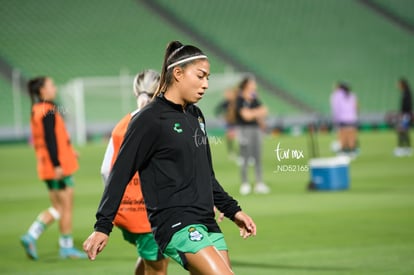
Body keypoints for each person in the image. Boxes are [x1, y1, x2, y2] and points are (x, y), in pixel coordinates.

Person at [83, 41, 256, 274]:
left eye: (208, 78)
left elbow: (206, 175)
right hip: (176, 223)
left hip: (206, 221)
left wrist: (233, 210)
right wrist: (103, 226)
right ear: (178, 73)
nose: (206, 85)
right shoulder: (149, 119)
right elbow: (119, 173)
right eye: (200, 76)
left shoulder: (196, 115)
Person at [100, 70, 169, 275]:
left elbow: (105, 170)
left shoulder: (122, 124)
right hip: (151, 215)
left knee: (148, 258)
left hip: (124, 213)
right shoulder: (161, 123)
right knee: (158, 269)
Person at [21, 76, 86, 260]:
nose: (54, 88)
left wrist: (69, 151)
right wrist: (58, 164)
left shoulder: (37, 109)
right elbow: (50, 139)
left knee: (57, 207)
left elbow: (48, 139)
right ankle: (66, 248)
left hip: (45, 166)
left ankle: (31, 235)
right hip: (57, 167)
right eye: (51, 85)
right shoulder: (48, 110)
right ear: (42, 91)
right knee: (65, 207)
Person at [235, 75, 269, 195]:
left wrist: (253, 113)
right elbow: (245, 116)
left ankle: (259, 183)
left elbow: (265, 110)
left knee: (258, 157)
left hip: (256, 130)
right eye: (252, 83)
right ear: (246, 84)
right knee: (245, 157)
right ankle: (245, 183)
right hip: (244, 130)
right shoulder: (240, 99)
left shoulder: (254, 98)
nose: (254, 85)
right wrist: (256, 113)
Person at [330, 82, 359, 158]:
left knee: (342, 136)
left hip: (342, 118)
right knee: (351, 135)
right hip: (352, 118)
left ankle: (343, 152)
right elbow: (356, 107)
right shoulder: (352, 95)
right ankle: (352, 152)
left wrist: (335, 119)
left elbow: (336, 108)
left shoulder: (336, 95)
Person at [215, 87, 238, 159]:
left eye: (229, 93)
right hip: (229, 123)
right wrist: (222, 117)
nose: (228, 95)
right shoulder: (225, 103)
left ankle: (238, 152)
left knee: (238, 138)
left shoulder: (236, 102)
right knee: (230, 137)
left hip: (238, 123)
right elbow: (217, 110)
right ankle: (231, 152)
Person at [394, 78, 413, 157]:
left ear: (402, 84)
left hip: (405, 115)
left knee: (402, 131)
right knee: (403, 131)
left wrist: (403, 114)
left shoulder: (407, 93)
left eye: (398, 84)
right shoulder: (405, 92)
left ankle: (402, 148)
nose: (397, 85)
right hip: (405, 115)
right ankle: (405, 148)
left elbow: (407, 106)